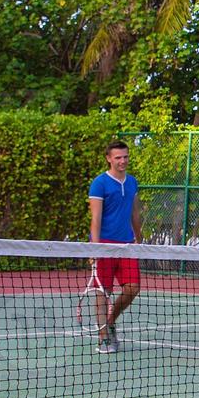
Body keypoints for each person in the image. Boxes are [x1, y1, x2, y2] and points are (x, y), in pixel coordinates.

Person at [87, 140, 143, 354]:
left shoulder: (132, 182)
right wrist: (95, 248)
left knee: (133, 288)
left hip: (128, 246)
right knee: (103, 292)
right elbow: (96, 218)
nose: (122, 161)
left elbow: (135, 213)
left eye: (125, 157)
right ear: (109, 158)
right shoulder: (99, 183)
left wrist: (139, 239)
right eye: (118, 157)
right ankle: (103, 338)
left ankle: (110, 321)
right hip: (105, 246)